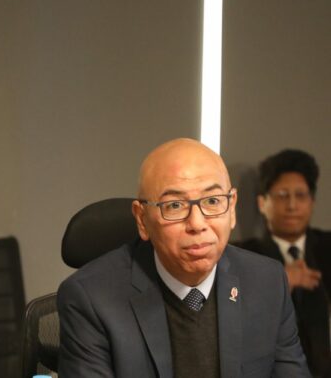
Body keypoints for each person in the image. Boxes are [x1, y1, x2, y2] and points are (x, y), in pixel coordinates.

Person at [58, 138, 309, 377]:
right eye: (175, 206)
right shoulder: (91, 299)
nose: (197, 224)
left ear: (232, 208)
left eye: (212, 201)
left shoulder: (267, 282)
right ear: (142, 219)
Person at [237, 149, 331, 377]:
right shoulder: (243, 255)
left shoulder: (327, 247)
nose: (292, 206)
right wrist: (280, 282)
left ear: (312, 202)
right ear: (262, 203)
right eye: (282, 195)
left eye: (301, 195)